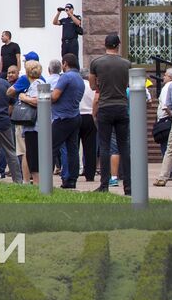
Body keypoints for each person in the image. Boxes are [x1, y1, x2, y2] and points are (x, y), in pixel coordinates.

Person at [88, 33, 133, 195]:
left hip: (105, 107)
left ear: (105, 44)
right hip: (122, 107)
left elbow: (93, 85)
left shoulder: (97, 63)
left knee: (105, 147)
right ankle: (128, 186)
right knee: (124, 147)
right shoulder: (126, 64)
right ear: (118, 45)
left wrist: (101, 87)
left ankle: (104, 185)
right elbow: (128, 83)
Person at [49, 54, 85, 188]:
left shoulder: (66, 77)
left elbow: (55, 96)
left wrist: (47, 95)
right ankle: (71, 180)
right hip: (75, 116)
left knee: (50, 147)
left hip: (62, 118)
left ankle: (45, 179)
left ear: (65, 63)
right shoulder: (79, 78)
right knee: (72, 149)